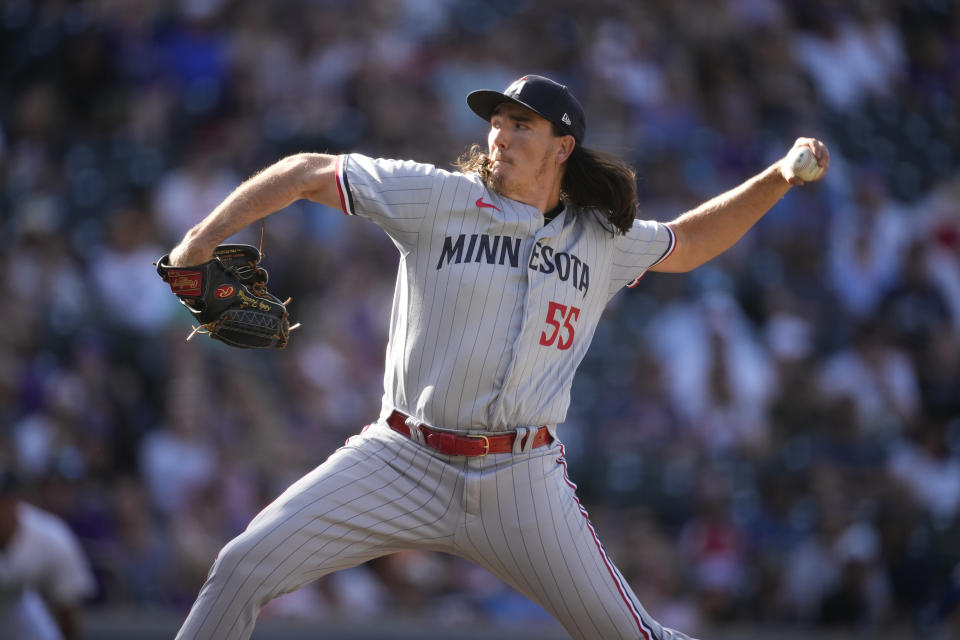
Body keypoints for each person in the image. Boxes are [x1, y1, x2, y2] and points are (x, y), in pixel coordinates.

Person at [167, 74, 829, 639]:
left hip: (522, 479)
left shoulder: (600, 240)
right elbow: (308, 171)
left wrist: (776, 177)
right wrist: (200, 240)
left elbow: (687, 243)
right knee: (243, 565)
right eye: (497, 123)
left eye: (522, 126)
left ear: (562, 147)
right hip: (402, 457)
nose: (500, 136)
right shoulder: (440, 198)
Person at [0, 469, 96, 640]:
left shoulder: (51, 537)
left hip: (23, 615)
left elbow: (68, 610)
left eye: (3, 500)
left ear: (15, 501)